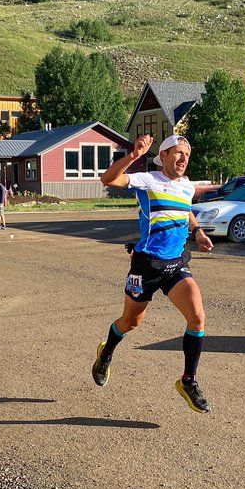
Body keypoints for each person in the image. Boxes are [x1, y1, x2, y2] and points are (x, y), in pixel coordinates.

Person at [92, 134, 215, 413]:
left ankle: (188, 381)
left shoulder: (186, 186)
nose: (184, 158)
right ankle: (106, 352)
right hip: (146, 266)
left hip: (176, 265)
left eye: (187, 154)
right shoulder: (148, 180)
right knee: (130, 322)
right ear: (164, 156)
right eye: (178, 152)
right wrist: (133, 156)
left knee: (197, 317)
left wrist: (197, 231)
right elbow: (108, 179)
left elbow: (186, 209)